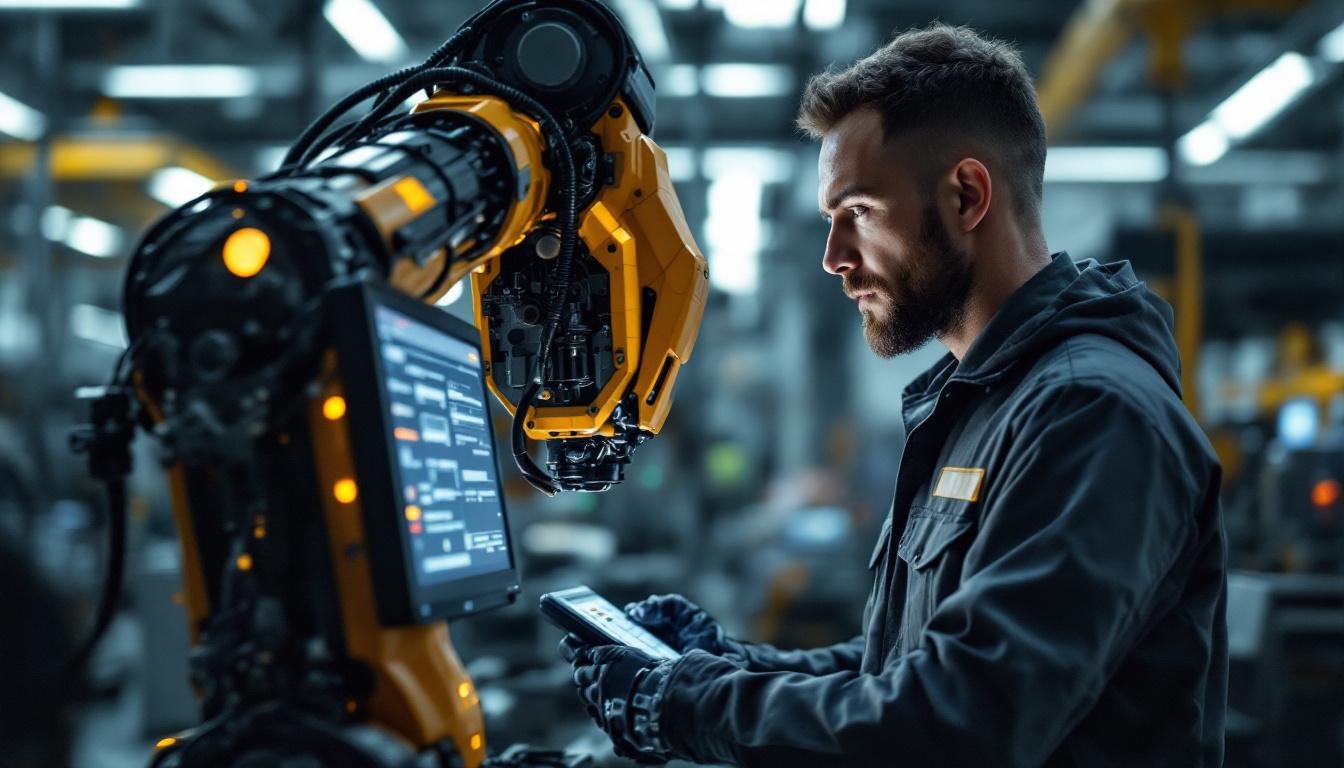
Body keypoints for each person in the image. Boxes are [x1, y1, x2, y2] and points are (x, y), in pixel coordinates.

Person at [561, 23, 1227, 767]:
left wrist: (688, 705)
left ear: (967, 195)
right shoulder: (984, 404)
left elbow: (962, 718)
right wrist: (723, 667)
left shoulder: (1091, 414)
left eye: (860, 214)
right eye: (829, 221)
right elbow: (902, 667)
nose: (834, 259)